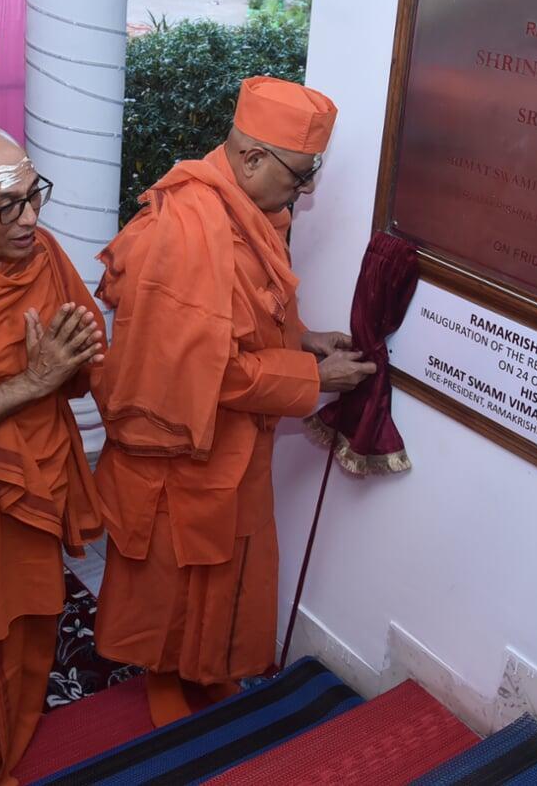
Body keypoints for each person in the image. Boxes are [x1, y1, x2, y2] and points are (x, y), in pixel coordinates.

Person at [90, 76, 378, 726]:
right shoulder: (186, 230)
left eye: (312, 175)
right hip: (180, 445)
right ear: (251, 158)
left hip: (235, 444)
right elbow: (203, 373)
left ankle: (206, 671)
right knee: (172, 570)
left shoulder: (249, 212)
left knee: (227, 570)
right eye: (301, 175)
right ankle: (166, 679)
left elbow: (252, 316)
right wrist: (313, 381)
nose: (305, 192)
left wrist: (304, 340)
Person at [0, 125, 107, 786]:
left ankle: (17, 733)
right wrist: (33, 380)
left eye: (35, 196)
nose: (30, 218)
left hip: (44, 465)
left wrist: (61, 369)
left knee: (39, 613)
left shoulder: (46, 254)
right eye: (9, 207)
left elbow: (82, 359)